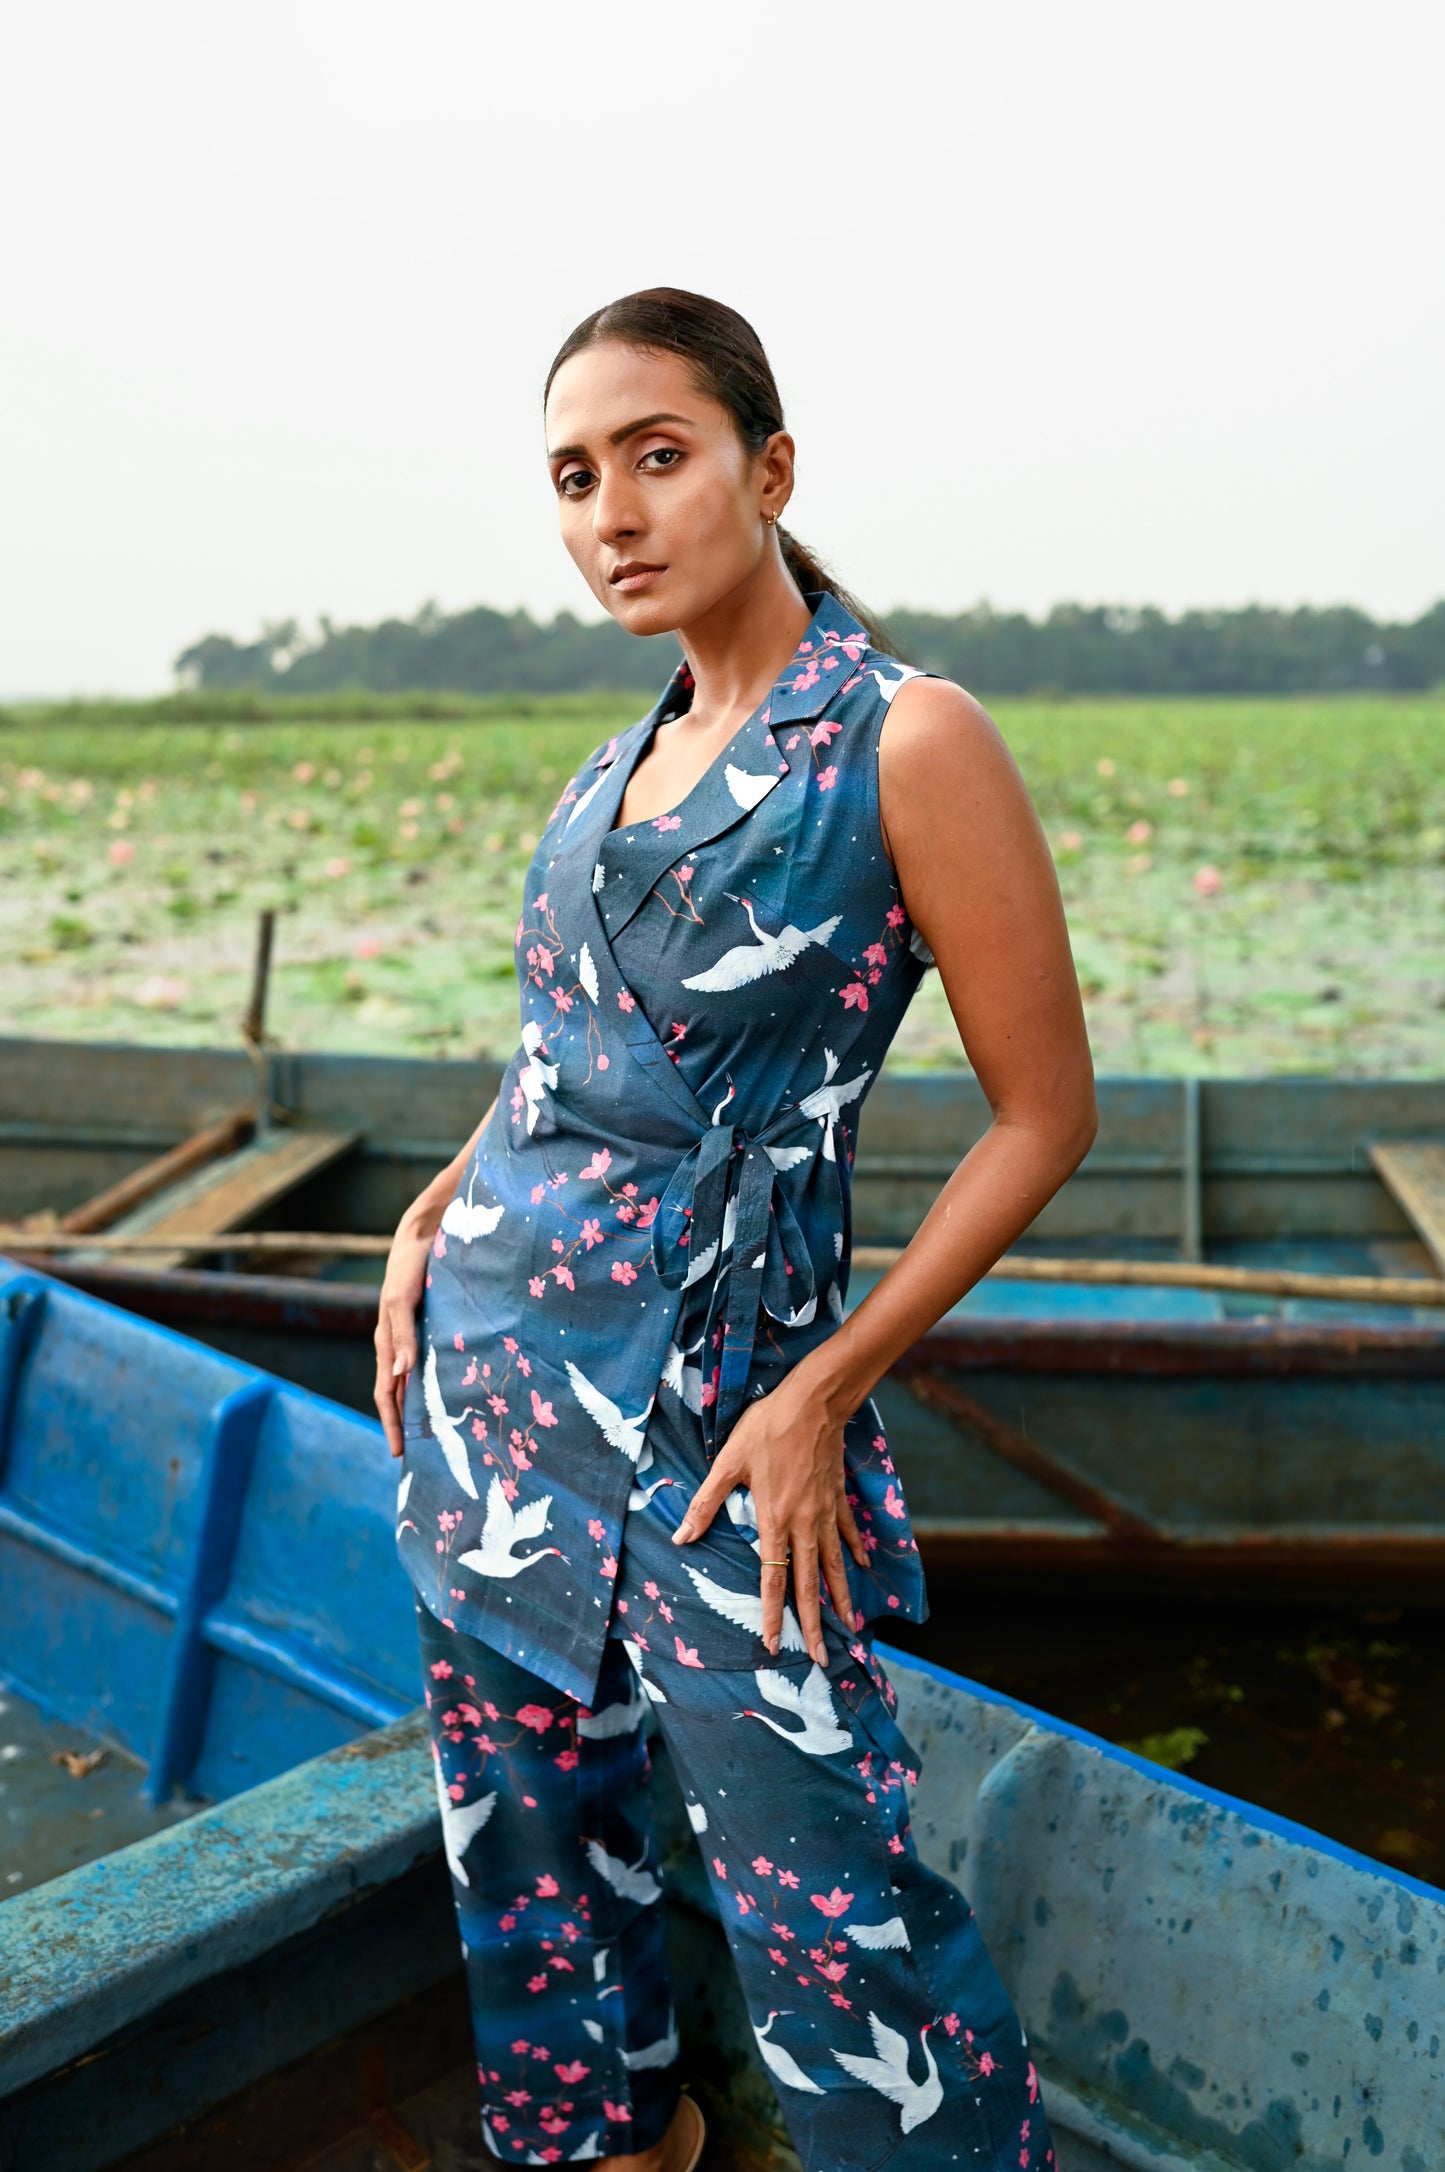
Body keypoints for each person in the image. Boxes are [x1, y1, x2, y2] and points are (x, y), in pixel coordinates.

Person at [374, 288, 1095, 2171]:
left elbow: (1045, 1114)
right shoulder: (609, 773)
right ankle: (620, 2145)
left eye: (658, 457)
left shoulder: (901, 740)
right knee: (530, 1861)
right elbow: (573, 1052)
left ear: (768, 472)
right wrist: (437, 1208)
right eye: (572, 476)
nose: (613, 511)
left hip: (724, 1417)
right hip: (495, 1396)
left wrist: (829, 1390)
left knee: (837, 1931)